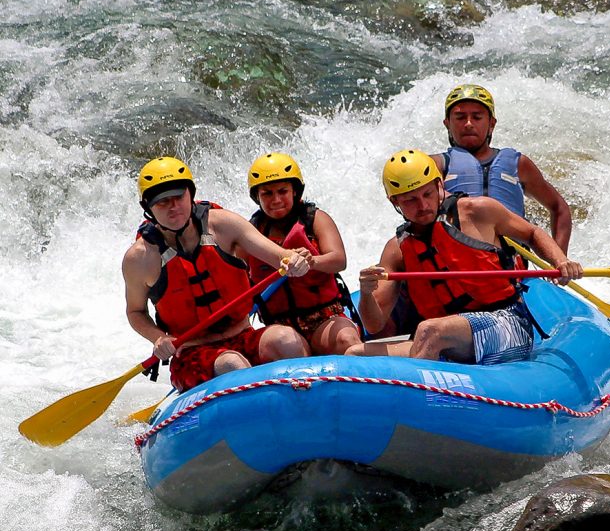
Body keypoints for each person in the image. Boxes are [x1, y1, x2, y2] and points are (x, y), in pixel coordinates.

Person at [346, 149, 583, 364]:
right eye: (410, 200)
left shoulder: (476, 211)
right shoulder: (396, 249)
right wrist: (366, 293)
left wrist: (560, 261)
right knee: (354, 353)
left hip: (507, 324)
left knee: (430, 331)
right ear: (394, 201)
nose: (423, 205)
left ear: (439, 185)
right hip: (445, 336)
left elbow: (532, 233)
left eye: (427, 194)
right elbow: (374, 324)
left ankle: (423, 404)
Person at [122, 156, 310, 392]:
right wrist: (157, 338)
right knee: (232, 364)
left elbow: (279, 255)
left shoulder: (223, 225)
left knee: (286, 339)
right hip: (192, 352)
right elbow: (135, 311)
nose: (173, 207)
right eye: (162, 202)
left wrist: (294, 260)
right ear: (148, 208)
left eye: (179, 197)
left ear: (190, 194)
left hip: (242, 335)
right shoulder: (140, 258)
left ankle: (308, 401)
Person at [241, 152, 362, 355]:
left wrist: (311, 261)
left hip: (324, 319)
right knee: (286, 344)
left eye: (282, 191)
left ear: (295, 191)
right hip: (280, 328)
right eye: (267, 194)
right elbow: (240, 284)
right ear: (257, 197)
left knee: (346, 340)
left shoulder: (315, 219)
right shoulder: (250, 234)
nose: (276, 200)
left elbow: (339, 260)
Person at [432, 83, 572, 253]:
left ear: (491, 123)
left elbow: (559, 208)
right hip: (458, 259)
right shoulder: (434, 165)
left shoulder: (519, 164)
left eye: (477, 117)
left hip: (511, 263)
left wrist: (558, 259)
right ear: (447, 123)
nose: (468, 124)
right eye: (460, 117)